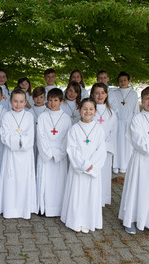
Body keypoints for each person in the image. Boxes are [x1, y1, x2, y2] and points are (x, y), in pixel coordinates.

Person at [119, 86, 149, 236]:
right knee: (135, 189)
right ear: (142, 101)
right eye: (147, 98)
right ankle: (130, 219)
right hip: (139, 160)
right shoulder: (137, 119)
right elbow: (139, 142)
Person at [61, 98, 107, 233]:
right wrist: (84, 164)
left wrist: (92, 165)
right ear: (79, 110)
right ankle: (76, 221)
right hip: (79, 170)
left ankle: (89, 221)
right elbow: (71, 149)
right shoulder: (74, 129)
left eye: (91, 109)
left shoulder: (98, 129)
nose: (88, 111)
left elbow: (101, 150)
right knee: (77, 195)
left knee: (90, 196)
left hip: (93, 170)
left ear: (95, 111)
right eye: (85, 109)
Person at [0, 89, 37, 219]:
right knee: (11, 180)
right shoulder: (7, 116)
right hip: (11, 155)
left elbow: (30, 136)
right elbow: (4, 135)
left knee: (23, 180)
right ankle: (10, 209)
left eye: (21, 101)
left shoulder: (29, 116)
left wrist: (19, 139)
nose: (18, 104)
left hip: (25, 156)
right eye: (15, 101)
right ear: (10, 101)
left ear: (25, 102)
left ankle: (24, 209)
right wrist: (19, 140)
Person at [37, 88, 72, 217]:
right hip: (45, 154)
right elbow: (40, 135)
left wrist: (58, 153)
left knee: (58, 182)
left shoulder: (66, 118)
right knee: (44, 181)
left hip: (59, 155)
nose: (52, 103)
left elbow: (67, 138)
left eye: (55, 100)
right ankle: (44, 207)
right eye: (50, 100)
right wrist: (47, 152)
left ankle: (58, 208)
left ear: (61, 101)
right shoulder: (42, 116)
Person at [90, 83, 117, 206]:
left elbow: (113, 132)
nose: (100, 95)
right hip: (90, 150)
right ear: (92, 94)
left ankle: (100, 201)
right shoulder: (89, 110)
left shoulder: (111, 113)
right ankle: (90, 200)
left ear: (106, 94)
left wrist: (103, 148)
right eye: (97, 92)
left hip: (105, 151)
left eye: (102, 92)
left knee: (103, 176)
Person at [108, 71, 139, 174]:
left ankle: (125, 165)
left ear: (129, 81)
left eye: (125, 80)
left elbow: (136, 109)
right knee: (116, 143)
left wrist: (134, 123)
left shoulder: (133, 94)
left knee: (127, 144)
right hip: (117, 122)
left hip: (128, 122)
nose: (123, 82)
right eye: (120, 81)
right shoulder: (114, 93)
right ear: (118, 82)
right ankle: (115, 165)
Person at [28, 86, 47, 166]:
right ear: (32, 98)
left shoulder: (48, 112)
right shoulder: (29, 112)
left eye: (41, 97)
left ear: (45, 98)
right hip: (32, 142)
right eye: (36, 97)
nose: (38, 99)